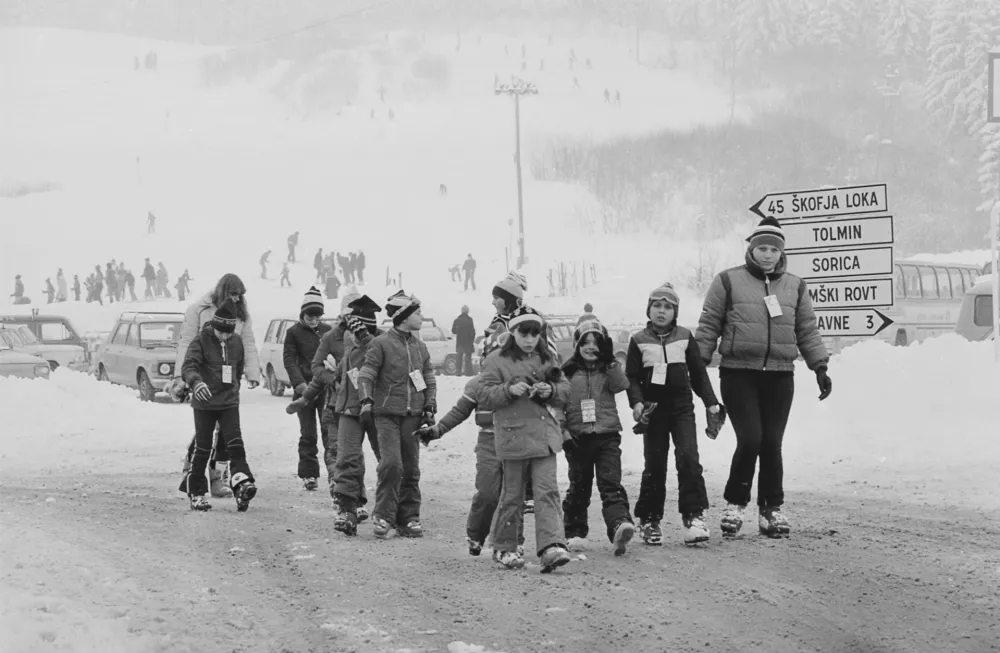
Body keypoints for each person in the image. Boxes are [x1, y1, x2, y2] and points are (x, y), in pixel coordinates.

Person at [695, 216, 831, 538]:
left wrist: (820, 367)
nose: (768, 255)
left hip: (780, 376)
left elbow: (806, 330)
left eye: (773, 249)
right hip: (739, 373)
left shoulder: (796, 286)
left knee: (772, 442)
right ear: (751, 250)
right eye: (762, 248)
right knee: (751, 438)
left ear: (781, 252)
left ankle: (771, 509)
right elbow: (709, 325)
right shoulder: (727, 281)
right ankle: (735, 503)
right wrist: (697, 367)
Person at [625, 282, 721, 546]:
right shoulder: (638, 340)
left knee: (689, 457)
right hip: (653, 409)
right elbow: (631, 378)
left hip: (681, 407)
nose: (661, 311)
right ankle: (649, 519)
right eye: (657, 305)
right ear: (649, 309)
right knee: (655, 464)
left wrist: (711, 402)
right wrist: (637, 403)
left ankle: (694, 517)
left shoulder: (685, 337)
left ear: (675, 312)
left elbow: (699, 373)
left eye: (668, 307)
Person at [478, 306, 572, 572]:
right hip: (513, 437)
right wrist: (507, 389)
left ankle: (552, 546)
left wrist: (550, 389)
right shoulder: (495, 360)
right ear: (513, 332)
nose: (530, 339)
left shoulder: (546, 358)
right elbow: (483, 394)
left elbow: (564, 388)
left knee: (548, 492)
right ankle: (504, 547)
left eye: (535, 334)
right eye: (524, 333)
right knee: (512, 496)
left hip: (544, 437)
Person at [417, 368, 526, 558]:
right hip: (488, 443)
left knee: (513, 495)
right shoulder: (478, 384)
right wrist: (438, 430)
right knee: (487, 493)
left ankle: (513, 540)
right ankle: (476, 535)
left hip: (517, 443)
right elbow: (460, 411)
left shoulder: (523, 383)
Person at [172, 274, 261, 498]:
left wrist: (252, 372)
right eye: (232, 294)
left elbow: (247, 343)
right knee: (204, 435)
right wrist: (181, 377)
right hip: (204, 381)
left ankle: (219, 477)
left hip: (228, 383)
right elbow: (187, 343)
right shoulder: (199, 310)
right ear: (222, 292)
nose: (237, 299)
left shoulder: (241, 316)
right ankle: (192, 473)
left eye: (240, 295)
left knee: (227, 435)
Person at [357, 291, 437, 539]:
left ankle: (409, 517)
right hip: (387, 414)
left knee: (411, 468)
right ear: (404, 317)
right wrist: (366, 399)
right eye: (418, 313)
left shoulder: (420, 347)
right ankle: (383, 515)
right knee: (392, 464)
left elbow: (428, 379)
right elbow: (366, 373)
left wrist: (429, 405)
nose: (422, 317)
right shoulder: (380, 344)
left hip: (413, 416)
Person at [561, 320, 635, 556]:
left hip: (607, 436)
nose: (591, 347)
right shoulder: (567, 373)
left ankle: (618, 525)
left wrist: (610, 359)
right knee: (579, 487)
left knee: (610, 483)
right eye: (585, 342)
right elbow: (557, 405)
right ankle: (574, 532)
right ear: (577, 345)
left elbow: (621, 384)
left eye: (597, 343)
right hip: (578, 439)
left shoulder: (608, 369)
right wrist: (563, 431)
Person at [282, 286, 332, 491]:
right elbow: (289, 360)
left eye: (317, 317)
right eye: (310, 316)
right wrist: (299, 384)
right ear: (302, 314)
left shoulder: (328, 331)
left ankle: (335, 472)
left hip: (326, 389)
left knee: (330, 431)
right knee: (308, 433)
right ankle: (309, 474)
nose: (314, 321)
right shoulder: (293, 333)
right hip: (304, 390)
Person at [451, 305, 476, 375]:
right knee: (468, 358)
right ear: (468, 311)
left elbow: (453, 331)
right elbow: (473, 332)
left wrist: (458, 330)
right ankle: (468, 372)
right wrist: (471, 340)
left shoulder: (457, 320)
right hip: (468, 342)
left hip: (460, 342)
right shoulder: (470, 320)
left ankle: (458, 372)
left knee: (459, 357)